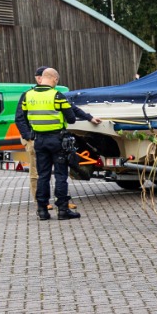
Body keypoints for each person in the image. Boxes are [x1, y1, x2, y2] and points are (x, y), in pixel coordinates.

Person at [21, 66, 99, 220]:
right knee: (60, 176)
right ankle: (63, 210)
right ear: (55, 79)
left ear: (42, 78)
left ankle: (42, 211)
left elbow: (23, 117)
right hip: (57, 140)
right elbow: (71, 117)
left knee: (42, 176)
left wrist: (30, 133)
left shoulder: (27, 96)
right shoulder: (57, 96)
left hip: (39, 140)